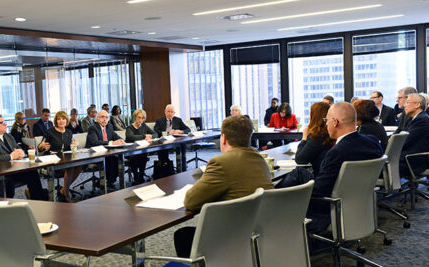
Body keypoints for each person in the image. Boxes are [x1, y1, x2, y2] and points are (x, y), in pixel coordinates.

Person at [173, 116, 274, 258]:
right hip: (257, 231)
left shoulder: (221, 162)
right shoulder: (259, 159)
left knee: (182, 235)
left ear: (224, 138)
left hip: (233, 237)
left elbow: (190, 202)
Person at [308, 102, 384, 231]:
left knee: (296, 179)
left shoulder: (336, 152)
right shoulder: (373, 142)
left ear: (335, 122)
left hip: (331, 205)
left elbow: (319, 190)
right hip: (360, 203)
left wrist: (296, 194)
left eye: (327, 120)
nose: (325, 124)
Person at [0, 114, 48, 200]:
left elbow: (18, 149)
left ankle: (38, 201)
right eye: (2, 122)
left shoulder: (8, 136)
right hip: (0, 173)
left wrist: (21, 153)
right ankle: (7, 208)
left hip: (14, 169)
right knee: (9, 182)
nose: (5, 124)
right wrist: (11, 156)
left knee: (33, 173)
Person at [37, 111, 80, 202]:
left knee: (79, 165)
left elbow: (70, 147)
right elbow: (40, 148)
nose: (61, 121)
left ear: (66, 120)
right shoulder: (49, 132)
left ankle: (63, 190)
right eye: (59, 119)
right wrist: (41, 147)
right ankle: (66, 194)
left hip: (66, 159)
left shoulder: (69, 132)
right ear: (56, 121)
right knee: (70, 167)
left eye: (63, 119)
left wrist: (75, 145)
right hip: (53, 161)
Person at [86, 110, 125, 190]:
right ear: (97, 119)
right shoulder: (93, 127)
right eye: (102, 117)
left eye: (107, 117)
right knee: (111, 160)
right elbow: (95, 142)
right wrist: (112, 143)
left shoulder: (109, 126)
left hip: (107, 153)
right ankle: (108, 182)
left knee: (118, 160)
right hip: (94, 154)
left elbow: (116, 136)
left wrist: (121, 140)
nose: (105, 119)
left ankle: (108, 181)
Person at [398, 93, 429, 178]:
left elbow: (405, 142)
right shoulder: (418, 118)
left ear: (417, 105)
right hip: (412, 157)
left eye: (407, 102)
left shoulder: (421, 120)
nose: (404, 105)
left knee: (379, 164)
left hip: (413, 161)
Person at [294, 102, 334, 176]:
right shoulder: (330, 133)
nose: (309, 118)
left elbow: (300, 159)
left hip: (319, 179)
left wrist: (304, 137)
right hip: (329, 176)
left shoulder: (318, 136)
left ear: (315, 117)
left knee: (297, 173)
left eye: (310, 114)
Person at [126, 109, 156, 184]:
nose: (141, 120)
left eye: (143, 118)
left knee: (143, 155)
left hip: (142, 150)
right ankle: (136, 176)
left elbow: (155, 134)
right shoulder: (129, 128)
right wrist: (144, 136)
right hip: (131, 151)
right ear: (135, 117)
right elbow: (131, 137)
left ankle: (141, 175)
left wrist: (151, 136)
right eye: (139, 117)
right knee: (135, 158)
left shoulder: (144, 126)